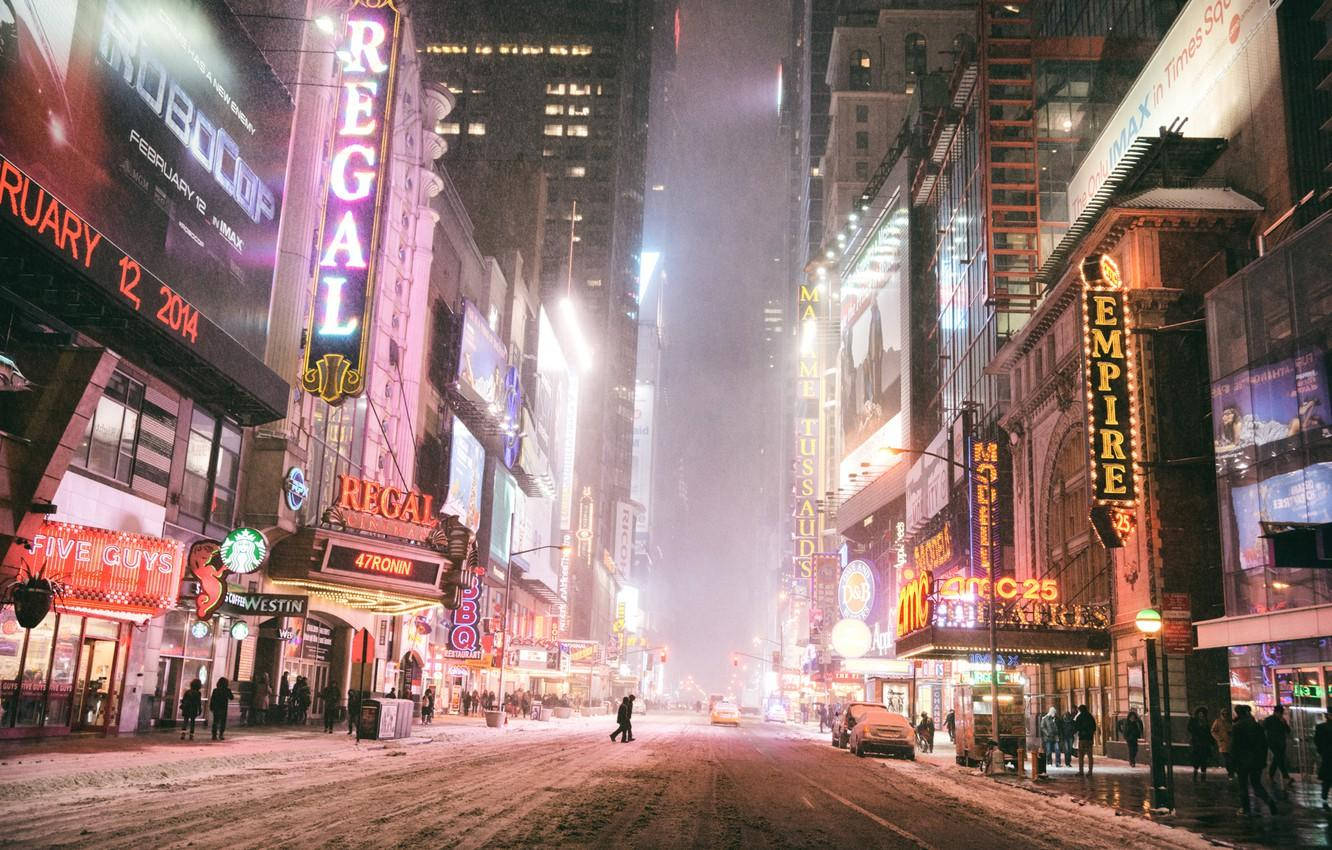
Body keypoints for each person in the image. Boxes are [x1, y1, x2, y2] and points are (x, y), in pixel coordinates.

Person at [1233, 704, 1278, 816]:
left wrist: (1234, 760)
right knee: (1256, 784)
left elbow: (1235, 746)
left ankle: (1245, 809)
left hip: (1243, 761)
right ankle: (1269, 801)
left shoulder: (1237, 726)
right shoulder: (1256, 726)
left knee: (1243, 785)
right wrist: (1262, 759)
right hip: (1256, 761)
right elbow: (1264, 744)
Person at [1264, 704, 1294, 793]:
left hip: (1280, 743)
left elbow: (1288, 730)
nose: (1281, 714)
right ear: (1277, 712)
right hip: (1273, 743)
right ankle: (1286, 777)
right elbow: (1264, 729)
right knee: (1279, 758)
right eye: (1281, 713)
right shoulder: (1269, 720)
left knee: (1277, 759)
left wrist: (1284, 723)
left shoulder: (1281, 720)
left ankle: (1270, 776)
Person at [1188, 706, 1214, 780]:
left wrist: (1212, 742)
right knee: (1196, 759)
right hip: (1196, 743)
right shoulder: (1194, 721)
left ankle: (1203, 774)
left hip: (1204, 744)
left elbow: (1209, 733)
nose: (1201, 716)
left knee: (1204, 760)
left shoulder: (1206, 723)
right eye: (1200, 714)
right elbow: (1190, 728)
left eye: (1202, 714)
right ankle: (1195, 772)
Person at [1074, 704, 1097, 775]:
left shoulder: (1079, 717)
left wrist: (1081, 731)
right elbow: (1094, 727)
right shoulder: (1090, 717)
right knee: (1090, 756)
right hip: (1089, 739)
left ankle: (1081, 771)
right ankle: (1090, 771)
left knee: (1081, 756)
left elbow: (1076, 727)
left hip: (1082, 739)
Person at [1316, 711, 1332, 809]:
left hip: (1327, 755)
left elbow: (1317, 741)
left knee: (1327, 778)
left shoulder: (1321, 727)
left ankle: (1324, 796)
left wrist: (1321, 751)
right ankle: (1324, 796)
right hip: (1327, 754)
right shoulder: (1322, 727)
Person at [1213, 708, 1235, 779]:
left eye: (1226, 714)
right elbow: (1213, 731)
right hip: (1223, 743)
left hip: (1231, 743)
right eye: (1224, 714)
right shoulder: (1218, 721)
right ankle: (1230, 772)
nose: (1225, 715)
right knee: (1227, 759)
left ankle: (1232, 772)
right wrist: (1219, 738)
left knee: (1231, 759)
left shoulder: (1231, 721)